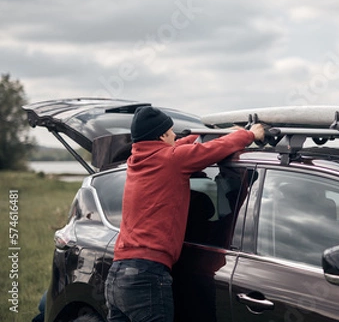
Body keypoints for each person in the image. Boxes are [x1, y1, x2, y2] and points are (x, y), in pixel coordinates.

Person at [104, 106, 264, 322]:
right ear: (161, 136)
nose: (175, 137)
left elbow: (180, 146)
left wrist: (204, 133)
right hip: (147, 274)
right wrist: (250, 134)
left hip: (117, 276)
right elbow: (216, 149)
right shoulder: (172, 160)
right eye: (171, 133)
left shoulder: (137, 161)